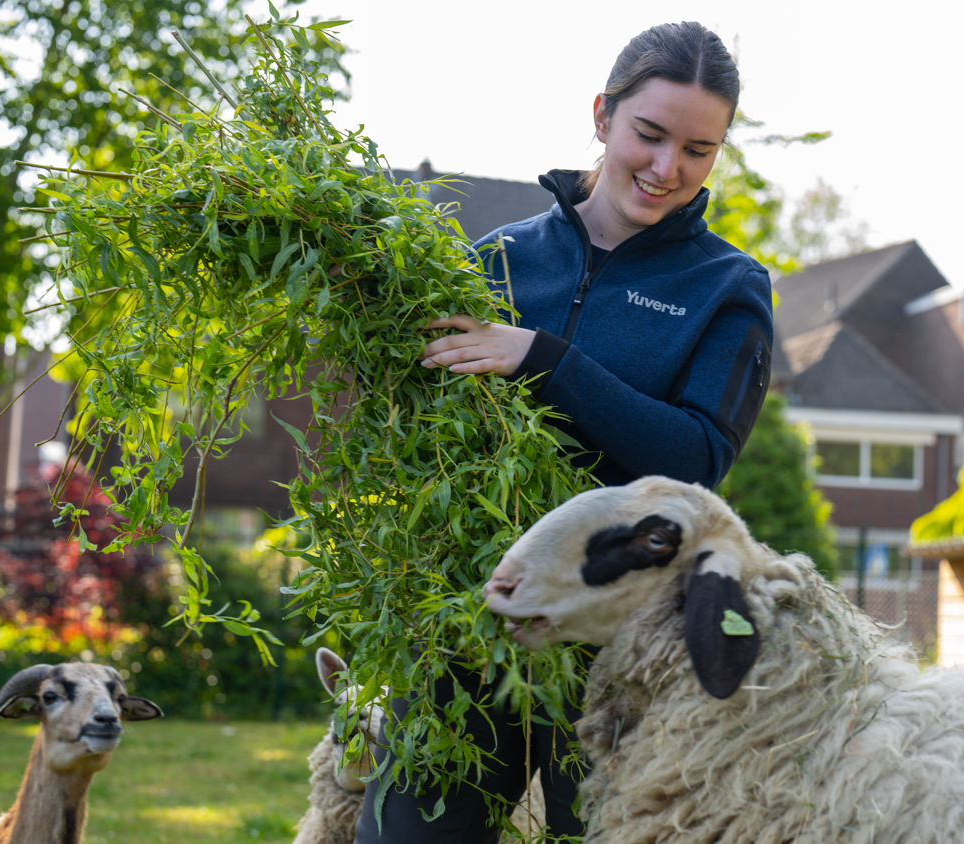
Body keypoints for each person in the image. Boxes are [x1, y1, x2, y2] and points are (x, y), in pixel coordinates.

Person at [355, 20, 774, 842]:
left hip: (618, 645)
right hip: (467, 622)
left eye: (698, 151)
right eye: (649, 136)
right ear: (602, 115)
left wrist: (543, 357)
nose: (666, 170)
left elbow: (695, 462)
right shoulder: (495, 260)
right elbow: (420, 425)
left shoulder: (728, 286)